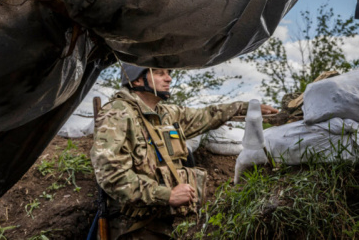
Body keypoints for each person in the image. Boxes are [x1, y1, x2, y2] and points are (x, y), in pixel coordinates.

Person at [90, 64, 278, 239]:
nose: (169, 78)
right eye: (159, 72)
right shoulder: (117, 115)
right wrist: (167, 195)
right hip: (132, 228)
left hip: (163, 224)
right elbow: (111, 175)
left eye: (169, 73)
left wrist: (246, 107)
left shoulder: (166, 113)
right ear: (137, 80)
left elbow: (207, 115)